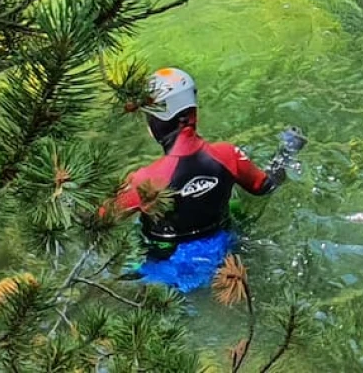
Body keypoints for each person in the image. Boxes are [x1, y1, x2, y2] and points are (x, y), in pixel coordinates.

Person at [107, 68, 306, 288]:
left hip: (164, 269)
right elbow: (265, 186)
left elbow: (99, 220)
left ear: (156, 121)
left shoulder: (145, 180)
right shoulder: (228, 155)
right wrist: (286, 153)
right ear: (194, 114)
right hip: (223, 255)